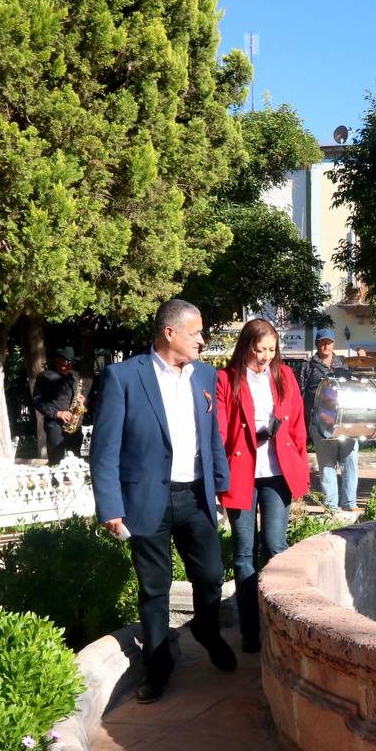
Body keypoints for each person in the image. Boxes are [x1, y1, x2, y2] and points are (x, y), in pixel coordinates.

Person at [89, 299, 236, 704]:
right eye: (196, 334)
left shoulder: (206, 375)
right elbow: (104, 449)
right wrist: (110, 506)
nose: (202, 341)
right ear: (170, 333)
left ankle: (206, 629)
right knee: (154, 589)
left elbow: (212, 438)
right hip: (146, 500)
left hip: (195, 497)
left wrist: (221, 490)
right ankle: (158, 667)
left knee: (210, 575)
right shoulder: (124, 377)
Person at [215, 319, 309, 654]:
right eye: (260, 349)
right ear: (246, 347)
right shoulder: (227, 379)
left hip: (277, 472)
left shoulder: (284, 377)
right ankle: (250, 630)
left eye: (271, 349)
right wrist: (218, 476)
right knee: (243, 554)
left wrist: (301, 463)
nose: (266, 356)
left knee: (276, 546)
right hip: (241, 471)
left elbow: (297, 423)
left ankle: (279, 625)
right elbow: (221, 430)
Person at [297, 329, 361, 517]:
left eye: (329, 342)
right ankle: (331, 505)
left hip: (345, 420)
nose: (326, 345)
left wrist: (360, 364)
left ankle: (350, 502)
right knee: (327, 464)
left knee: (350, 461)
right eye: (322, 342)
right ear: (317, 344)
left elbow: (355, 386)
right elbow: (299, 393)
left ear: (333, 344)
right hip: (319, 421)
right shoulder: (308, 366)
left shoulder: (343, 364)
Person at [31, 346, 85, 465]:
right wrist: (57, 413)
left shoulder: (75, 376)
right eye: (67, 362)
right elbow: (37, 401)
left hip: (74, 425)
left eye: (72, 362)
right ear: (57, 360)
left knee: (76, 460)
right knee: (56, 460)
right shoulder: (45, 377)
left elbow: (79, 395)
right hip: (55, 425)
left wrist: (82, 400)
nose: (70, 365)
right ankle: (56, 482)